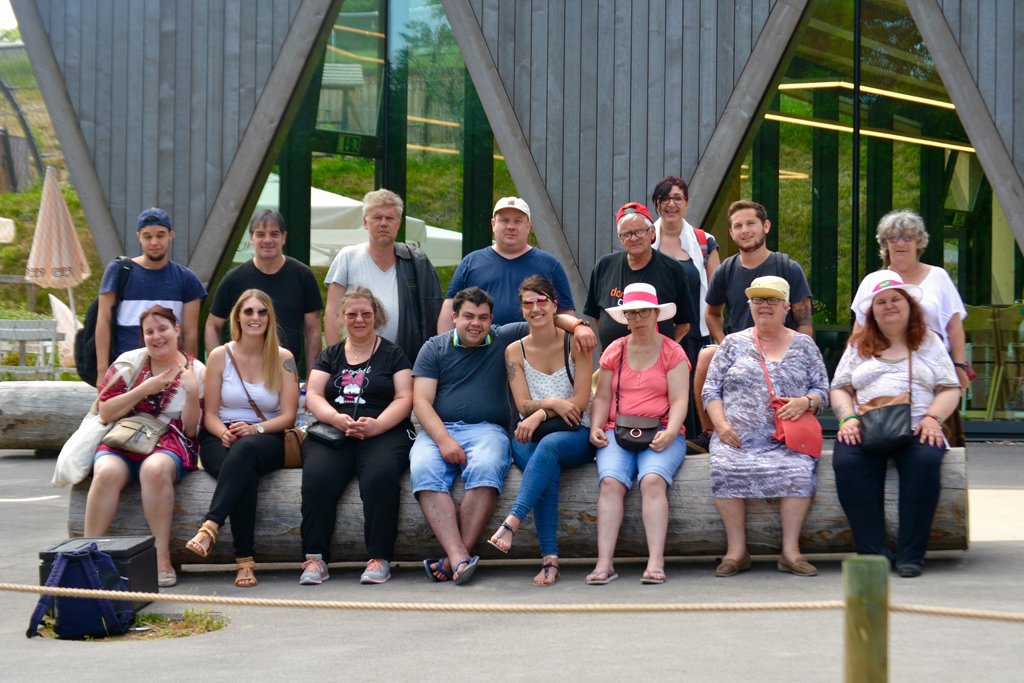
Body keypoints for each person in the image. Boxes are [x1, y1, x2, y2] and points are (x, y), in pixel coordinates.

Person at [412, 286, 596, 585]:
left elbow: (544, 317)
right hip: (439, 430)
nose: (475, 323)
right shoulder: (434, 348)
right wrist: (444, 440)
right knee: (423, 470)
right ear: (454, 317)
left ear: (491, 320)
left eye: (483, 317)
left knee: (486, 469)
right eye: (468, 316)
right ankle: (459, 557)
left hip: (488, 430)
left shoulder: (501, 338)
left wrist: (578, 325)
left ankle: (462, 554)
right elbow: (420, 402)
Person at [831, 271, 961, 578]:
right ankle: (873, 552)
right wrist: (847, 418)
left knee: (926, 461)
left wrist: (933, 418)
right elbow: (839, 386)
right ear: (872, 311)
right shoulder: (858, 344)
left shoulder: (929, 341)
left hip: (918, 425)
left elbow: (949, 387)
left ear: (909, 305)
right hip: (867, 424)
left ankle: (911, 555)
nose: (889, 306)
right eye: (881, 302)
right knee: (847, 462)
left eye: (895, 299)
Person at [701, 276, 830, 577]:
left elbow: (823, 391)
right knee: (723, 465)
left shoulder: (805, 345)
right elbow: (711, 390)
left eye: (772, 300)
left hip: (787, 441)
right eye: (758, 299)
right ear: (750, 305)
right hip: (736, 439)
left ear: (787, 306)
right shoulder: (733, 343)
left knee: (798, 469)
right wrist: (720, 425)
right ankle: (736, 551)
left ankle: (791, 552)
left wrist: (806, 402)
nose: (764, 306)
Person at [298, 286, 415, 586]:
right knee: (317, 478)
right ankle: (315, 559)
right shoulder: (330, 354)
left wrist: (377, 425)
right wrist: (335, 418)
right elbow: (312, 394)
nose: (359, 319)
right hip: (334, 430)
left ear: (377, 315)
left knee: (381, 475)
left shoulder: (393, 353)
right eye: (352, 314)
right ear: (342, 318)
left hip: (383, 431)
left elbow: (404, 398)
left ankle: (379, 557)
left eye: (366, 313)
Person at [84, 305, 205, 588]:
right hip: (125, 437)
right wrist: (143, 389)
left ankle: (161, 556)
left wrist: (191, 393)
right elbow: (105, 411)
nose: (156, 337)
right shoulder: (129, 362)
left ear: (176, 330)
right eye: (149, 332)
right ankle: (88, 553)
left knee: (155, 470)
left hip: (170, 440)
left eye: (162, 329)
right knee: (105, 473)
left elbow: (191, 429)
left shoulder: (196, 369)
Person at [186, 290, 299, 588]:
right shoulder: (219, 356)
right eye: (248, 311)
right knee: (243, 475)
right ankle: (244, 562)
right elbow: (209, 414)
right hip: (219, 436)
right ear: (237, 317)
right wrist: (223, 432)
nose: (255, 317)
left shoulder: (284, 358)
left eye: (262, 312)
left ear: (270, 318)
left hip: (267, 435)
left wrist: (255, 429)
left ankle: (210, 525)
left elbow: (289, 416)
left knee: (247, 448)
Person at [487, 276, 595, 586]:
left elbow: (579, 402)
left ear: (554, 305)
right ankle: (550, 561)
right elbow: (522, 405)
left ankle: (512, 521)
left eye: (542, 301)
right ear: (521, 310)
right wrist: (549, 404)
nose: (536, 308)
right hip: (528, 434)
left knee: (548, 449)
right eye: (528, 303)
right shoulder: (513, 352)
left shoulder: (576, 342)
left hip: (574, 433)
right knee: (546, 467)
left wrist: (543, 412)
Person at [689, 200, 813, 453]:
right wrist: (725, 344)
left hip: (779, 351)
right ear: (732, 232)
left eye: (750, 223)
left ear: (765, 226)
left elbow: (805, 322)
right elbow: (712, 314)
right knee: (706, 356)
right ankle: (709, 433)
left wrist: (795, 355)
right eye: (738, 226)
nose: (744, 230)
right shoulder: (726, 270)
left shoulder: (787, 267)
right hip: (741, 353)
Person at [585, 284, 689, 585]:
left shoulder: (673, 351)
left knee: (652, 480)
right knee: (610, 483)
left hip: (663, 429)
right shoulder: (614, 351)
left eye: (644, 311)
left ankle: (656, 560)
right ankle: (604, 562)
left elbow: (680, 399)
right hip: (618, 430)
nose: (639, 317)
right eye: (632, 312)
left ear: (656, 313)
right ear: (625, 317)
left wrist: (671, 432)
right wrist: (595, 426)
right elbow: (602, 396)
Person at [851, 209, 970, 444]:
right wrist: (854, 371)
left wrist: (959, 366)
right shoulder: (873, 281)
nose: (900, 243)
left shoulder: (939, 277)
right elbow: (860, 330)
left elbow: (954, 328)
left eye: (907, 237)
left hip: (933, 366)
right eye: (893, 238)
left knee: (934, 436)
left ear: (919, 242)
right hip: (884, 369)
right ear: (885, 244)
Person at [325, 189, 443, 365]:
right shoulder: (347, 256)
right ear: (365, 222)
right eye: (377, 217)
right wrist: (336, 361)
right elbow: (332, 313)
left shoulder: (415, 261)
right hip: (355, 361)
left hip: (405, 362)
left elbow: (432, 314)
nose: (383, 223)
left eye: (390, 218)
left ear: (399, 222)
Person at [94, 208, 207, 382]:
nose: (154, 242)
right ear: (139, 237)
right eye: (147, 236)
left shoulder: (187, 279)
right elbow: (103, 322)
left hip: (170, 375)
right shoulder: (118, 270)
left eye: (160, 235)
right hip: (125, 372)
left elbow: (190, 332)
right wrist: (102, 371)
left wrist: (190, 370)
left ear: (171, 235)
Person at [204, 210, 322, 375]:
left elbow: (313, 330)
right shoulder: (233, 279)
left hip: (286, 374)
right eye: (260, 234)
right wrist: (221, 370)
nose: (267, 240)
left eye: (274, 234)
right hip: (242, 377)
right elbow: (212, 326)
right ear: (251, 238)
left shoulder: (303, 276)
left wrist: (312, 378)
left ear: (284, 237)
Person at [438, 197, 575, 331]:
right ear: (493, 225)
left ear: (528, 226)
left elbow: (565, 311)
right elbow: (450, 307)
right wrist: (447, 350)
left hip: (537, 351)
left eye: (518, 221)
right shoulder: (471, 262)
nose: (511, 227)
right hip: (480, 351)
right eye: (504, 221)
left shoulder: (550, 264)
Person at [651, 176, 721, 440]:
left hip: (693, 337)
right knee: (659, 394)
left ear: (687, 203)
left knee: (694, 394)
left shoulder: (704, 241)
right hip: (655, 337)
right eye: (665, 198)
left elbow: (717, 296)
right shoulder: (643, 240)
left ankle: (696, 443)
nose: (671, 204)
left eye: (677, 198)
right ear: (656, 204)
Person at [584, 202, 696, 352]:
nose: (634, 238)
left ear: (653, 232)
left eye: (640, 231)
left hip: (657, 363)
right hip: (614, 362)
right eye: (627, 234)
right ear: (620, 238)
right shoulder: (604, 266)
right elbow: (598, 316)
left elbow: (684, 324)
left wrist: (663, 352)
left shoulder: (673, 270)